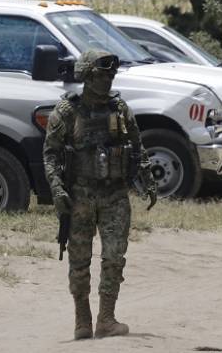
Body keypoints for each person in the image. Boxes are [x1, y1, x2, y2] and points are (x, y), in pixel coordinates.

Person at [43, 49, 157, 340]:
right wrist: (57, 190)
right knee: (79, 259)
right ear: (86, 75)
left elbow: (137, 146)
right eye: (101, 73)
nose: (108, 79)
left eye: (111, 74)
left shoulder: (120, 109)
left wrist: (147, 178)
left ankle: (106, 318)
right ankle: (83, 319)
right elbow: (51, 155)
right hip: (80, 195)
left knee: (114, 256)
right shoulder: (67, 112)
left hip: (115, 194)